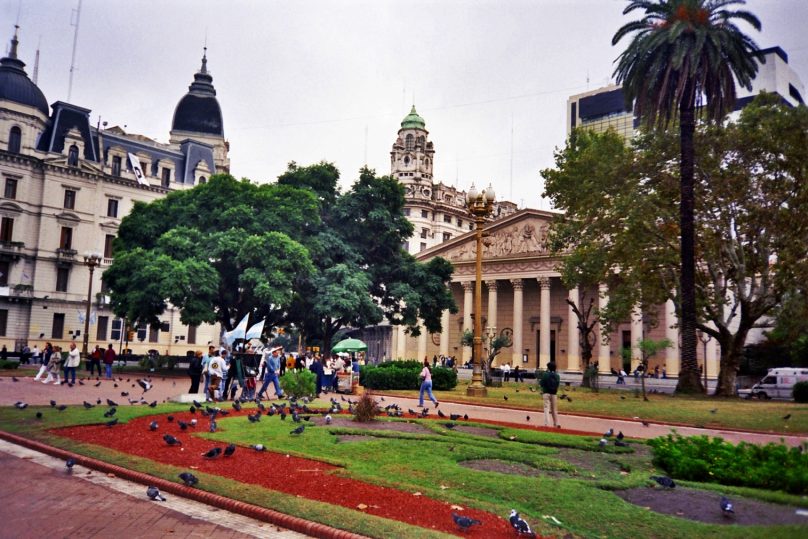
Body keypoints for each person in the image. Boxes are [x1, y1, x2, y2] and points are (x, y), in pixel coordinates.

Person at [539, 361, 561, 428]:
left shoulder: (545, 375)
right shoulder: (557, 376)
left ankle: (547, 423)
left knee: (546, 408)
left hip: (546, 393)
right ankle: (556, 423)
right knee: (554, 409)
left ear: (548, 367)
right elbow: (557, 385)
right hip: (554, 394)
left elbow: (541, 383)